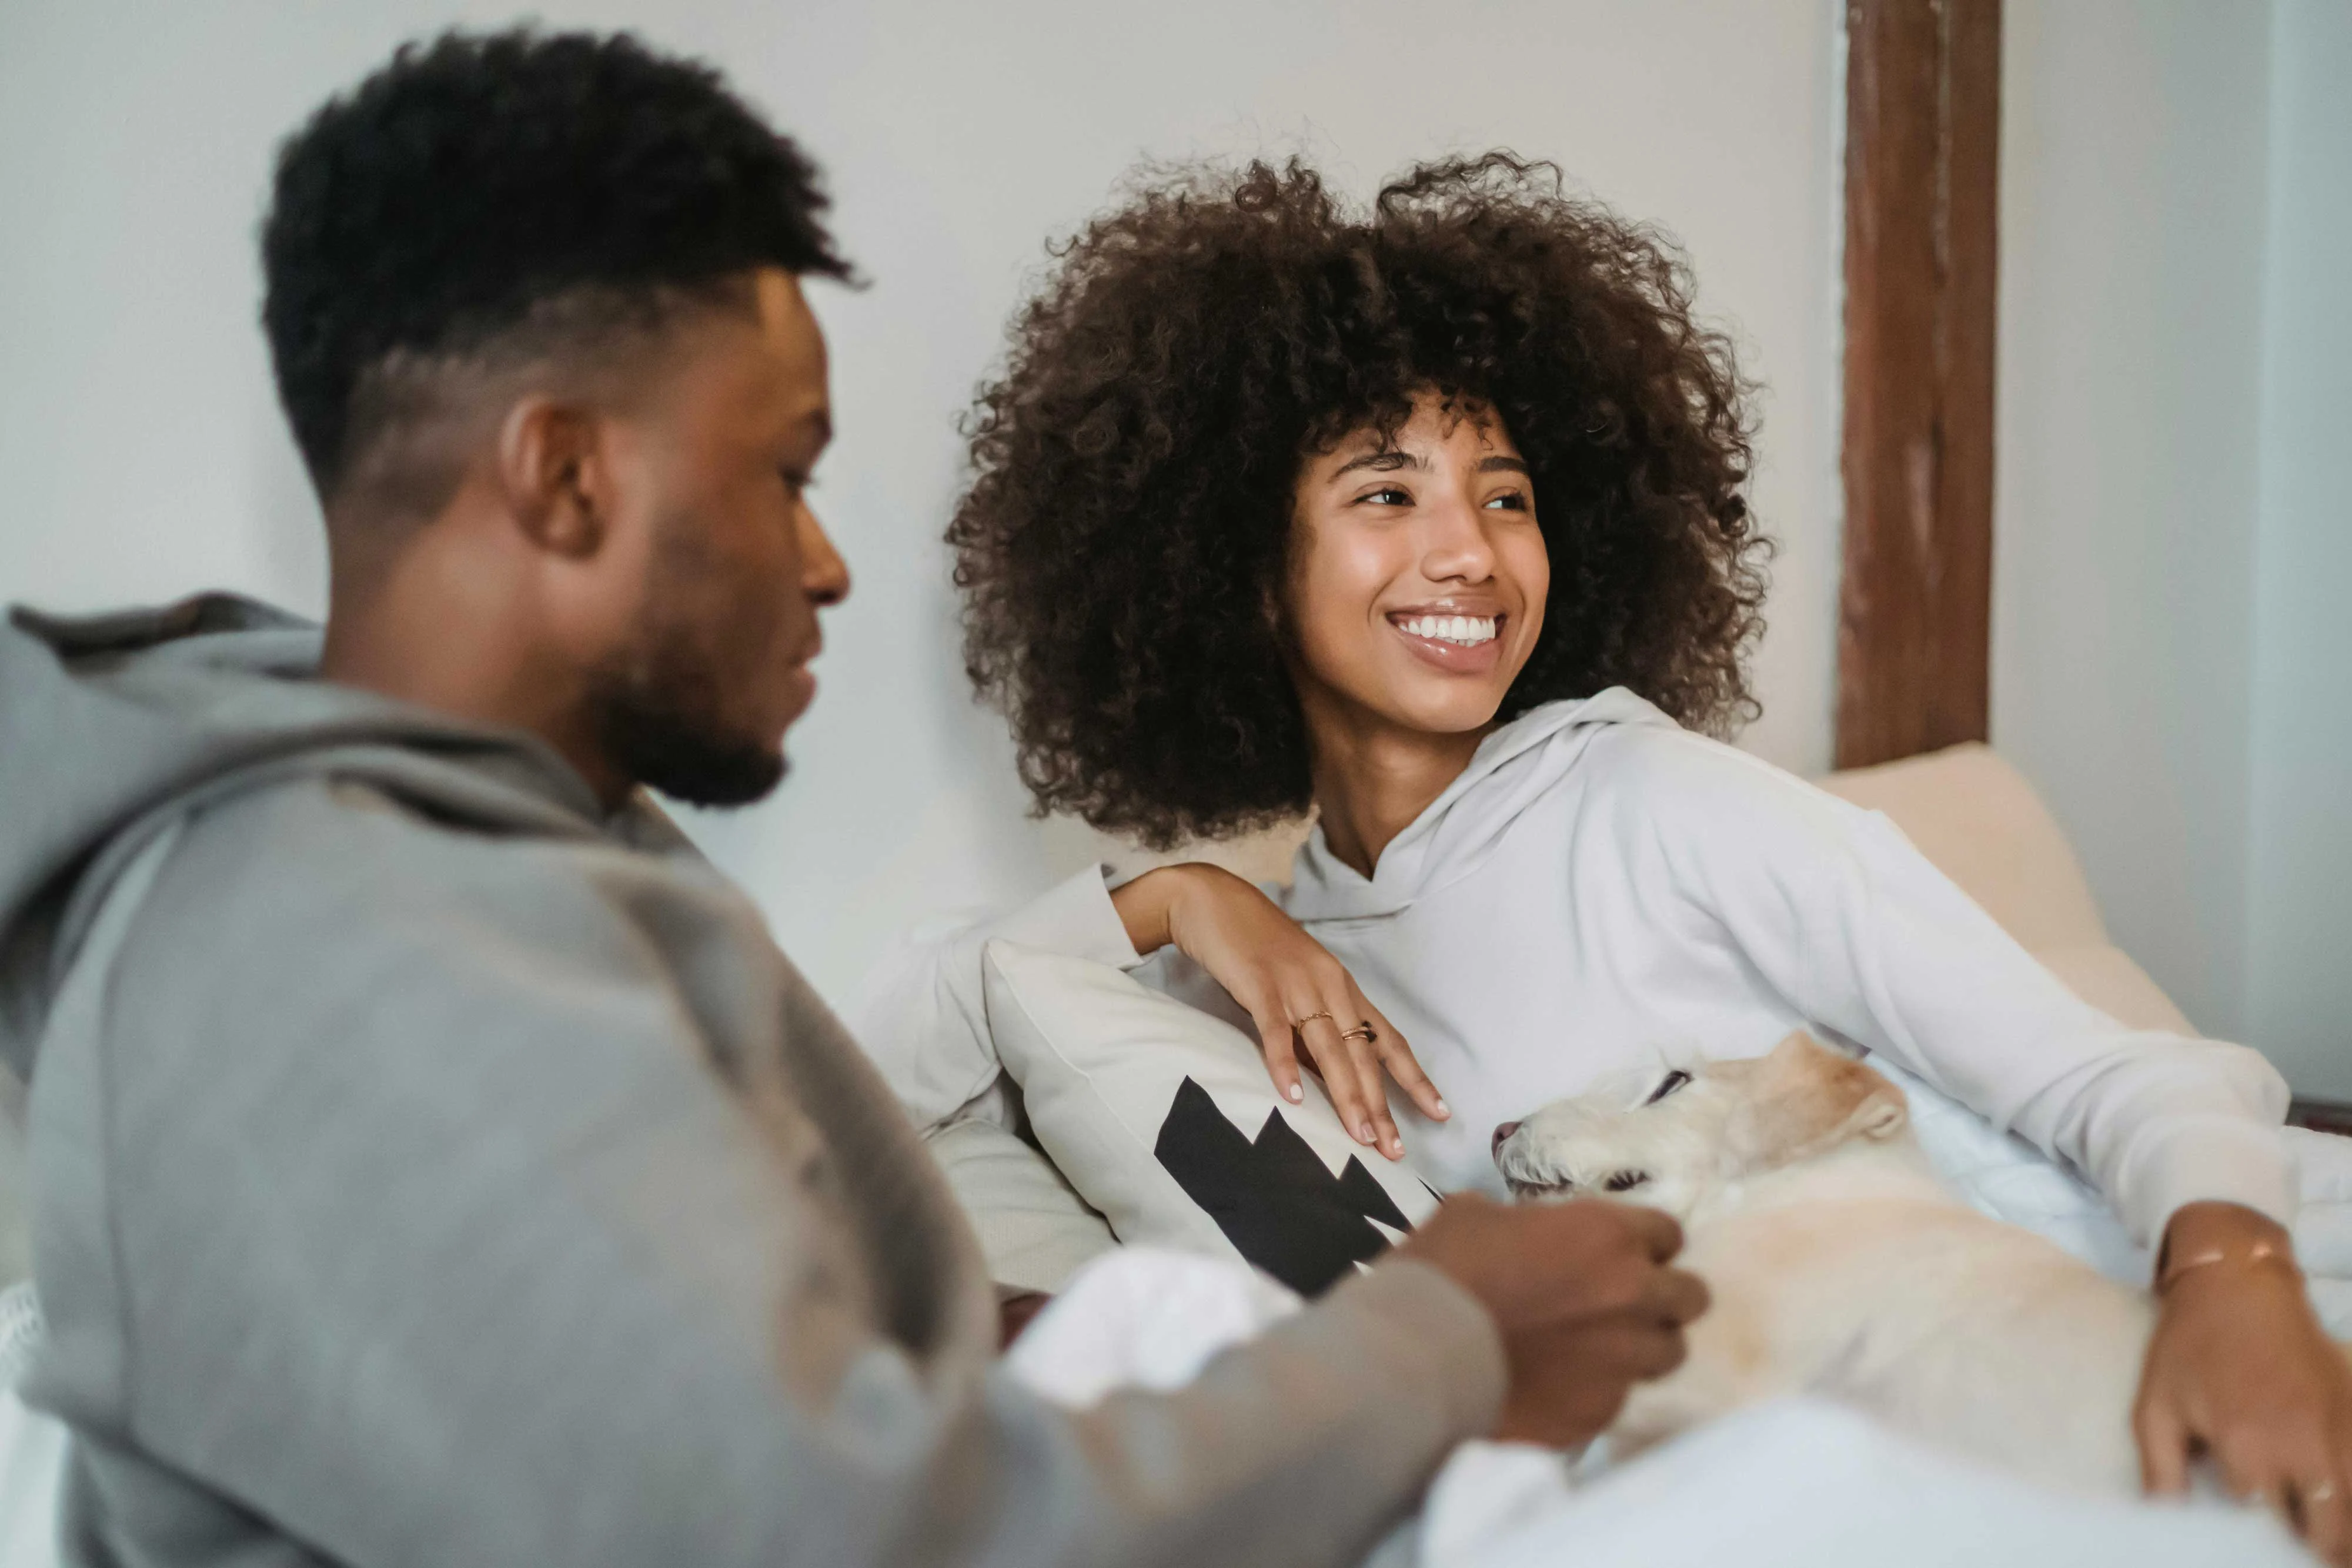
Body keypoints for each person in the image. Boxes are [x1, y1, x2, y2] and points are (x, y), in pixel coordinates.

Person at [0, 32, 1710, 1568]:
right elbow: (837, 1537)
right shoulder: (322, 957)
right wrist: (1437, 1341)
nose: (824, 563)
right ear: (567, 474)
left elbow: (733, 1372)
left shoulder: (512, 848)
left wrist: (1078, 1337)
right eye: (786, 475)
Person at [883, 156, 2352, 1560]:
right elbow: (869, 1081)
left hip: (2133, 1320)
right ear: (1243, 577)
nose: (1470, 552)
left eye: (1505, 494)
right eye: (1386, 493)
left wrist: (2236, 1292)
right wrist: (1170, 895)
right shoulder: (1266, 980)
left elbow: (2102, 1073)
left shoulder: (1651, 801)